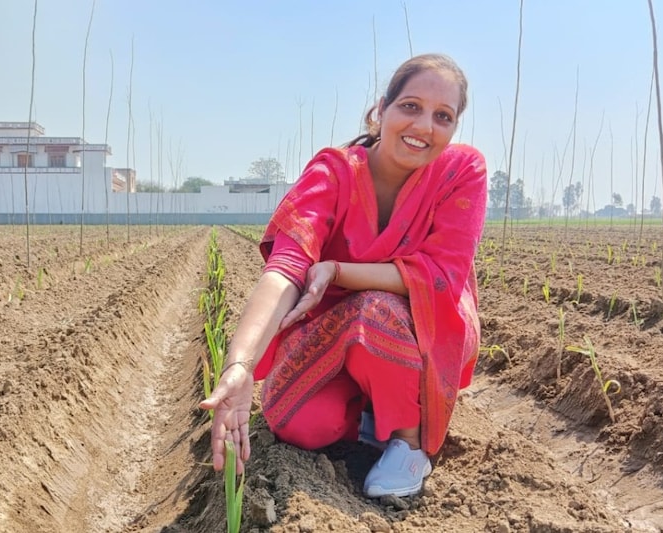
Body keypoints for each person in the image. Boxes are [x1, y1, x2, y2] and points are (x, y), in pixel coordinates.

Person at [199, 53, 487, 498]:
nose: (425, 126)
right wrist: (239, 366)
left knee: (374, 311)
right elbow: (286, 269)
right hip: (334, 330)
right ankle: (372, 409)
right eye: (410, 106)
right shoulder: (334, 172)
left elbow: (440, 275)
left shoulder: (460, 171)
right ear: (381, 110)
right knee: (303, 424)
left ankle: (408, 442)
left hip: (422, 325)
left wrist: (337, 270)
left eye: (443, 116)